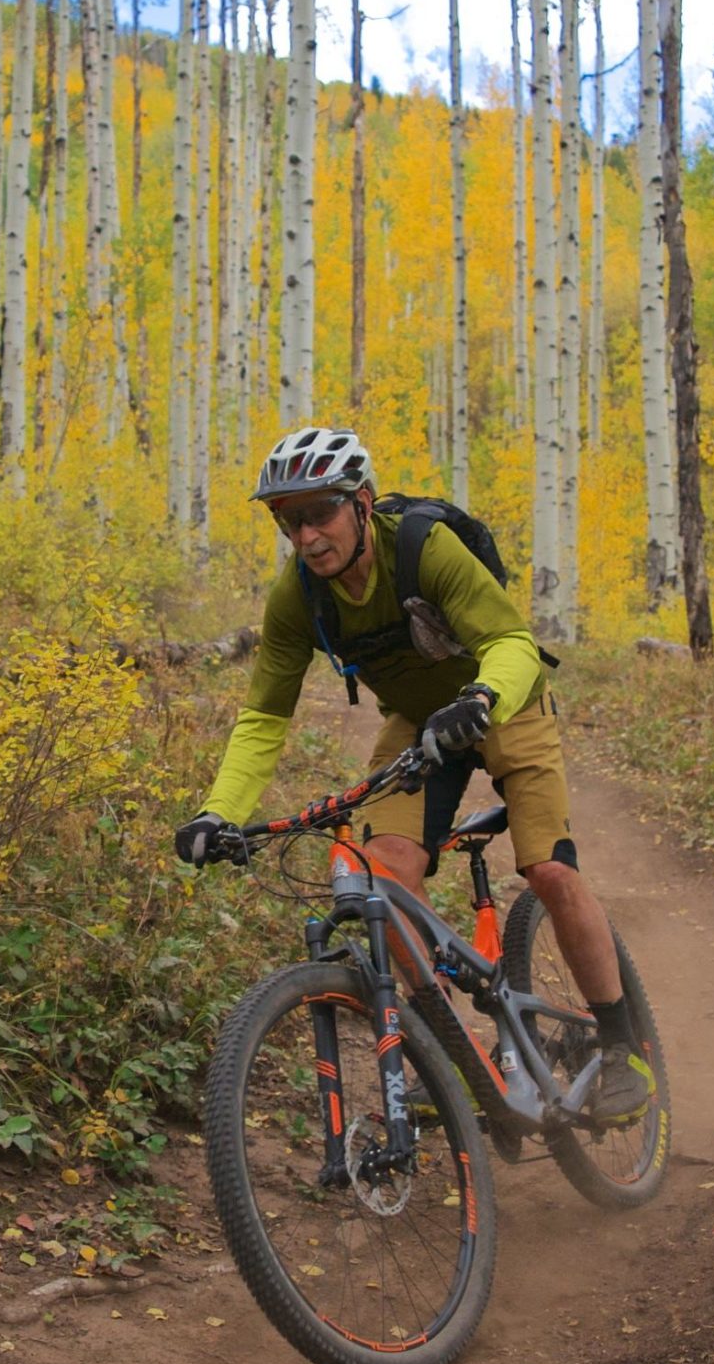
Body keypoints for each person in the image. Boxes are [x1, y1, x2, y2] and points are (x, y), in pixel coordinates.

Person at [172, 427, 652, 1124]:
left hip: (502, 701)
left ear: (361, 503)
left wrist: (483, 700)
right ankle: (453, 1052)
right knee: (383, 872)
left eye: (319, 513)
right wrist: (217, 813)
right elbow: (263, 720)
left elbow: (514, 644)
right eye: (289, 519)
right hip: (417, 721)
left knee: (547, 868)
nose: (306, 536)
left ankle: (618, 1044)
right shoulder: (299, 597)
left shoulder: (423, 547)